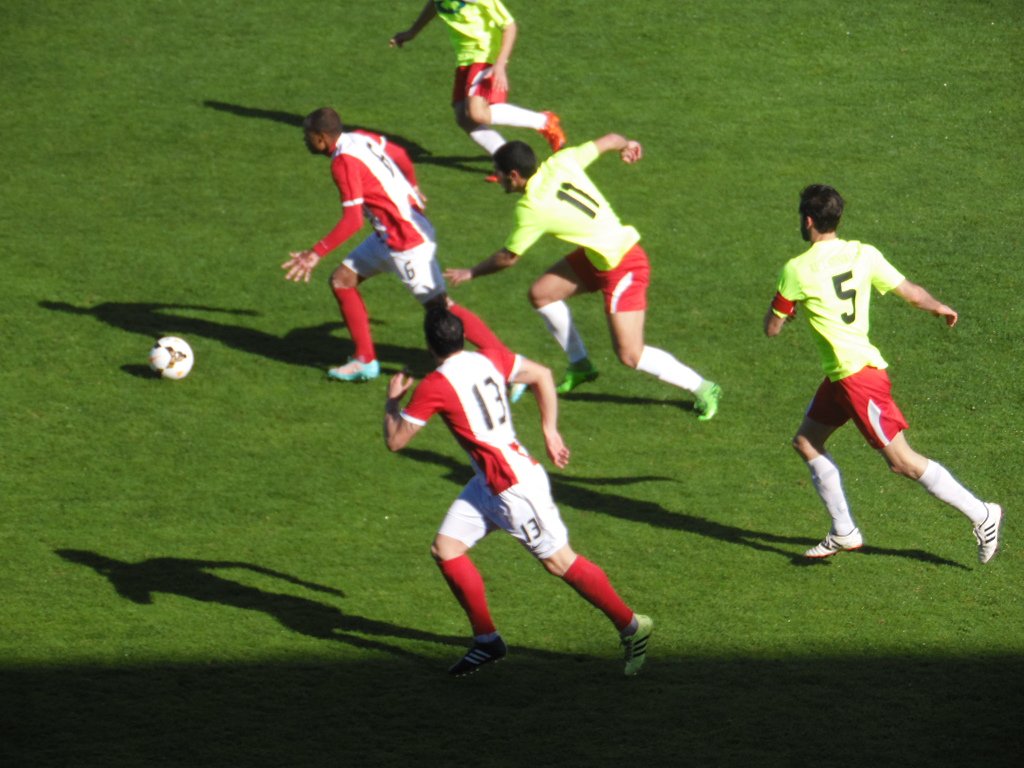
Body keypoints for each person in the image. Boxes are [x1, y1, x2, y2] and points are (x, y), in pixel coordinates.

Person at [383, 306, 653, 676]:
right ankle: (487, 641)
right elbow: (542, 374)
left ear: (430, 344)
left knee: (560, 562)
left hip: (514, 490)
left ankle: (633, 627)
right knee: (446, 549)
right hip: (489, 481)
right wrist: (549, 430)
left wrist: (392, 401)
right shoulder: (489, 358)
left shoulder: (435, 385)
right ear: (461, 336)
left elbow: (395, 440)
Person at [763, 184, 1002, 563]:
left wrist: (782, 313)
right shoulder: (864, 254)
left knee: (902, 461)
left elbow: (772, 328)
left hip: (858, 379)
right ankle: (843, 530)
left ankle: (982, 513)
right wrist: (938, 307)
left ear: (807, 221)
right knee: (807, 442)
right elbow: (912, 292)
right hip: (842, 377)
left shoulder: (796, 270)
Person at [444, 135, 722, 420]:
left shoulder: (531, 208)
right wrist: (627, 145)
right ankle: (580, 365)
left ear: (514, 175)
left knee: (630, 354)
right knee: (541, 294)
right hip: (598, 257)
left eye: (498, 173)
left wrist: (471, 272)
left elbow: (508, 257)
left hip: (623, 264)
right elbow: (611, 139)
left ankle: (703, 387)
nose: (496, 178)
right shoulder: (561, 161)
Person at [282, 107, 499, 380]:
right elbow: (401, 155)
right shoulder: (360, 137)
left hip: (405, 241)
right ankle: (365, 360)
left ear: (321, 138)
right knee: (342, 280)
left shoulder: (343, 163)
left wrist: (315, 254)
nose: (305, 141)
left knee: (440, 308)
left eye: (307, 136)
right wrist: (413, 185)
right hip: (391, 233)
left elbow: (353, 221)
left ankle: (506, 364)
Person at [389, 0, 566, 176]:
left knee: (477, 113)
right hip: (464, 58)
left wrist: (500, 65)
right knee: (463, 118)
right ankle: (506, 162)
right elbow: (434, 4)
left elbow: (510, 26)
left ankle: (543, 121)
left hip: (485, 54)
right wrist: (412, 32)